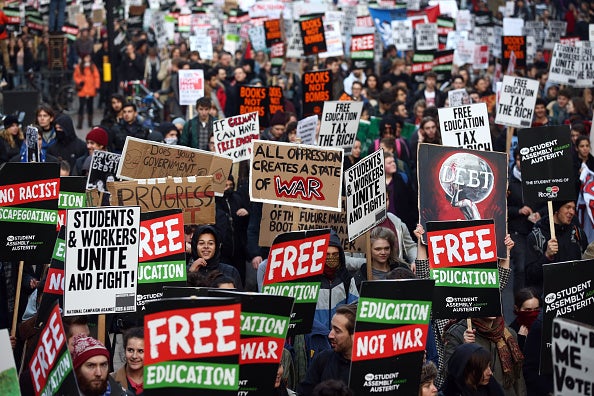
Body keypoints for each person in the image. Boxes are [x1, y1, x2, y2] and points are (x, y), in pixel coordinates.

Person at [525, 200, 587, 293]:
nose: (572, 212)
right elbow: (530, 276)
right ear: (556, 209)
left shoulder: (578, 233)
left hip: (574, 296)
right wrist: (547, 256)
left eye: (574, 208)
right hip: (548, 297)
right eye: (568, 207)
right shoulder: (536, 236)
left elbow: (587, 265)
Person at [297, 304, 356, 396]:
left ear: (354, 335)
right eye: (332, 328)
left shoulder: (372, 367)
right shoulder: (323, 359)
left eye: (337, 331)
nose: (330, 335)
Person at [188, 225, 243, 290]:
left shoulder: (230, 272)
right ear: (195, 246)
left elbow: (239, 299)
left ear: (216, 247)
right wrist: (190, 274)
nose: (206, 246)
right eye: (201, 243)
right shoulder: (183, 272)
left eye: (210, 243)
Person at [441, 344, 505, 396]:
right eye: (484, 368)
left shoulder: (491, 386)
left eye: (489, 366)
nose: (490, 373)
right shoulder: (449, 392)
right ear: (467, 370)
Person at [112, 327, 144, 395]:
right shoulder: (110, 381)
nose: (134, 356)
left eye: (140, 351)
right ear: (125, 350)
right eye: (130, 350)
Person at [73, 53, 101, 128]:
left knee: (90, 107)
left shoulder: (92, 66)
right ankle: (80, 123)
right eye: (86, 57)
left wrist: (97, 86)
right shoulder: (79, 67)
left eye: (88, 57)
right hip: (83, 90)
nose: (87, 59)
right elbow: (76, 76)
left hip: (90, 89)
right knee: (81, 107)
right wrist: (80, 81)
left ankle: (90, 122)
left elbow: (96, 77)